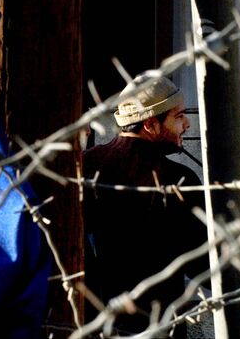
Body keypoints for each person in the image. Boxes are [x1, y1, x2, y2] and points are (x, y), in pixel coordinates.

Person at [82, 77, 207, 337]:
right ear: (150, 124)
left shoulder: (85, 165)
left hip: (92, 322)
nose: (187, 124)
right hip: (159, 323)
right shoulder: (177, 179)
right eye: (179, 116)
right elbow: (204, 264)